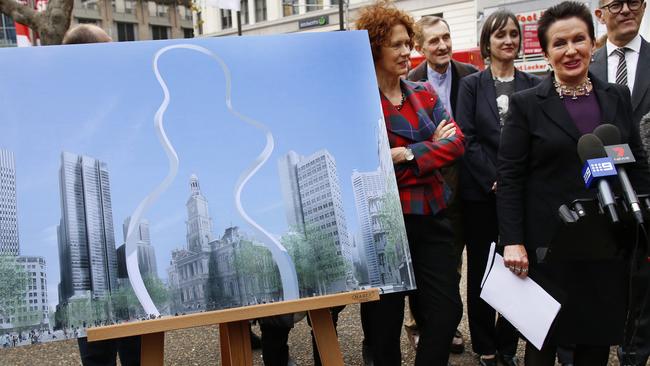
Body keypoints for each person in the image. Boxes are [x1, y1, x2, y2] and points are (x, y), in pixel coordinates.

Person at [497, 2, 650, 365]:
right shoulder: (526, 105)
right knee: (544, 344)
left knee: (595, 344)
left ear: (592, 43)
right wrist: (513, 242)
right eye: (559, 43)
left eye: (579, 40)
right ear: (547, 53)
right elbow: (510, 177)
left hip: (605, 242)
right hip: (548, 247)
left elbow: (637, 161)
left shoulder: (616, 97)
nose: (571, 51)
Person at [356, 2, 464, 365]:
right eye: (397, 45)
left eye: (408, 44)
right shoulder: (361, 103)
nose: (407, 52)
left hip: (432, 217)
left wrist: (405, 155)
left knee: (447, 310)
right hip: (385, 224)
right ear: (374, 48)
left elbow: (456, 144)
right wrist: (429, 145)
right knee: (384, 324)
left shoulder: (423, 92)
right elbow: (369, 164)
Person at [455, 10, 539, 366]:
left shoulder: (534, 83)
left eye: (513, 34)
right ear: (486, 42)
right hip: (481, 195)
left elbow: (537, 138)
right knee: (482, 272)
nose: (508, 40)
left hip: (520, 196)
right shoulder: (472, 86)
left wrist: (512, 184)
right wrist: (494, 179)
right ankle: (486, 346)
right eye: (500, 34)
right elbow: (466, 138)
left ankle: (507, 345)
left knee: (518, 270)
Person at [61, 24, 142, 366]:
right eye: (109, 47)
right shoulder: (78, 114)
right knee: (103, 352)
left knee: (129, 346)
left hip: (120, 244)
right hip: (92, 251)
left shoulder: (121, 103)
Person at [406, 16, 479, 354]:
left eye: (446, 37)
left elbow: (466, 134)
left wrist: (441, 141)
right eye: (434, 41)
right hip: (432, 184)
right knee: (435, 261)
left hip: (470, 179)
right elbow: (421, 141)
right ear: (419, 47)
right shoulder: (411, 83)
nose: (443, 46)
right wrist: (435, 143)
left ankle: (447, 325)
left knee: (457, 263)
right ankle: (424, 324)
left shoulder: (470, 76)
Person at [591, 1, 650, 364]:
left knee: (643, 281)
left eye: (634, 1)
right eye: (615, 3)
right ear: (601, 14)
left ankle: (635, 352)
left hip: (646, 189)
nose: (626, 10)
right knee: (599, 276)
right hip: (597, 190)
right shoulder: (584, 65)